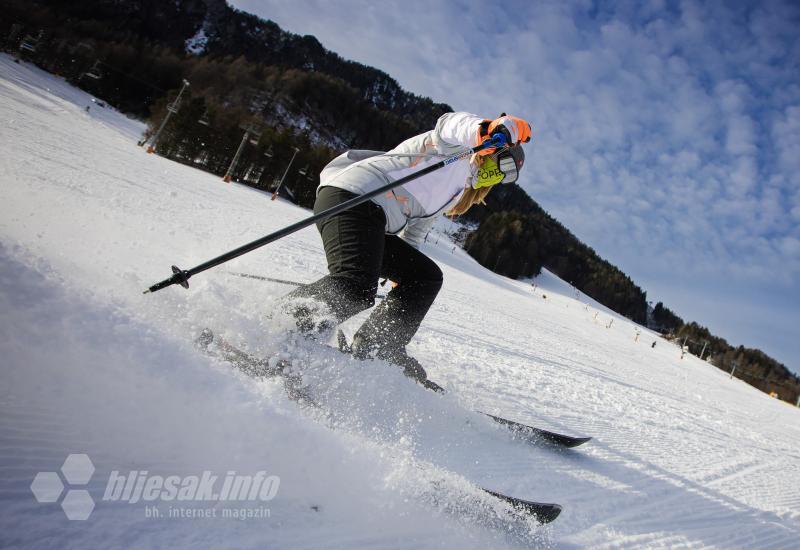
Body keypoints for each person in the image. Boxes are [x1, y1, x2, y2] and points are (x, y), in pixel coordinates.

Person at [285, 112, 531, 389]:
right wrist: (487, 129)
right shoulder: (456, 150)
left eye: (507, 176)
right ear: (492, 151)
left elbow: (415, 231)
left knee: (425, 277)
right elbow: (449, 125)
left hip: (374, 221)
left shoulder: (453, 192)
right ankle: (280, 331)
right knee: (354, 286)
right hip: (353, 196)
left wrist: (396, 270)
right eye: (504, 165)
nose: (498, 175)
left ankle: (377, 348)